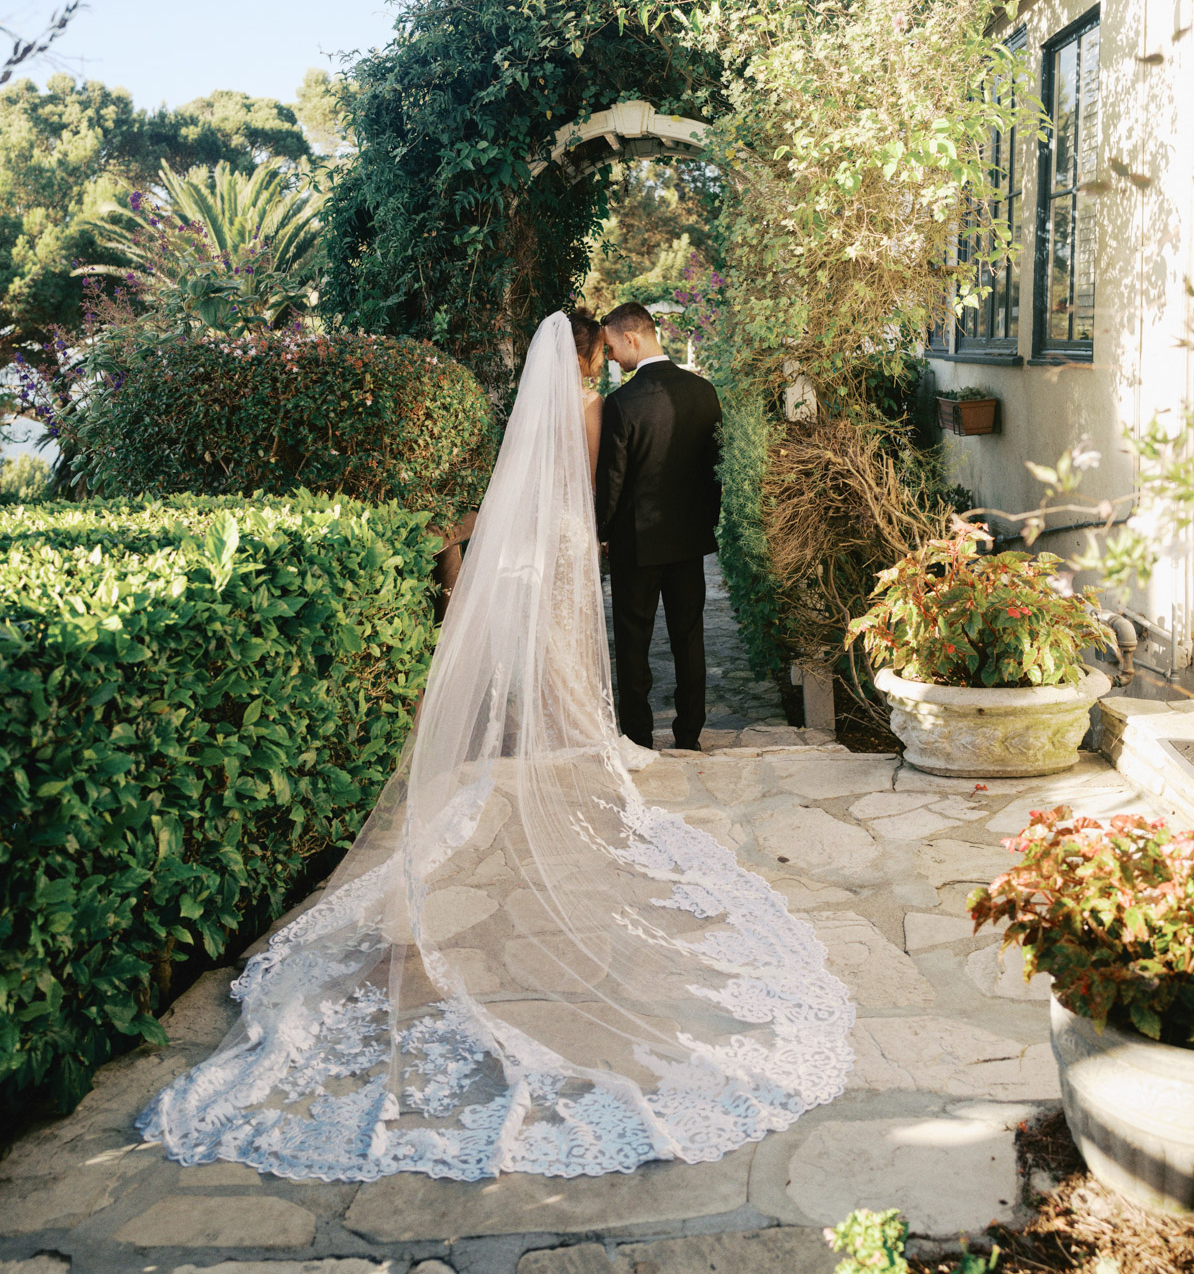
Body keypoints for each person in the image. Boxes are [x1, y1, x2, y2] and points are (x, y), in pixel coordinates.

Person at [138, 312, 852, 1184]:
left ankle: (600, 725)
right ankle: (663, 728)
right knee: (649, 639)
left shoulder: (592, 406)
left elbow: (577, 483)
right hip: (640, 537)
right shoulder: (655, 399)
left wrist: (587, 528)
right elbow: (652, 478)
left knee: (606, 641)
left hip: (585, 537)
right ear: (600, 348)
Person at [596, 302, 721, 752]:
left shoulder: (622, 403)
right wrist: (706, 522)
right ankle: (689, 736)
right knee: (689, 639)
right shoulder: (704, 392)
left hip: (637, 544)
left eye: (610, 347)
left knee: (634, 644)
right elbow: (715, 470)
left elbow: (612, 480)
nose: (610, 356)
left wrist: (602, 532)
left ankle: (639, 739)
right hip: (689, 541)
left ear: (631, 338)